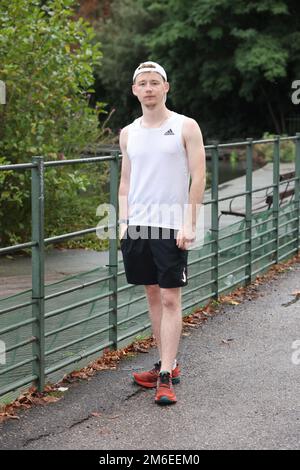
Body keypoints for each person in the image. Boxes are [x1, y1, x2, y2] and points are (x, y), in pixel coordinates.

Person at [118, 61, 206, 405]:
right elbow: (125, 181)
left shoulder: (186, 126)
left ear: (166, 87)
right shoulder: (128, 133)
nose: (149, 88)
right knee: (153, 296)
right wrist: (124, 222)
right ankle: (165, 363)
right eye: (143, 83)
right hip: (138, 226)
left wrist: (190, 222)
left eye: (156, 82)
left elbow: (198, 176)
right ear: (135, 90)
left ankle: (166, 375)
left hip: (172, 224)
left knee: (171, 298)